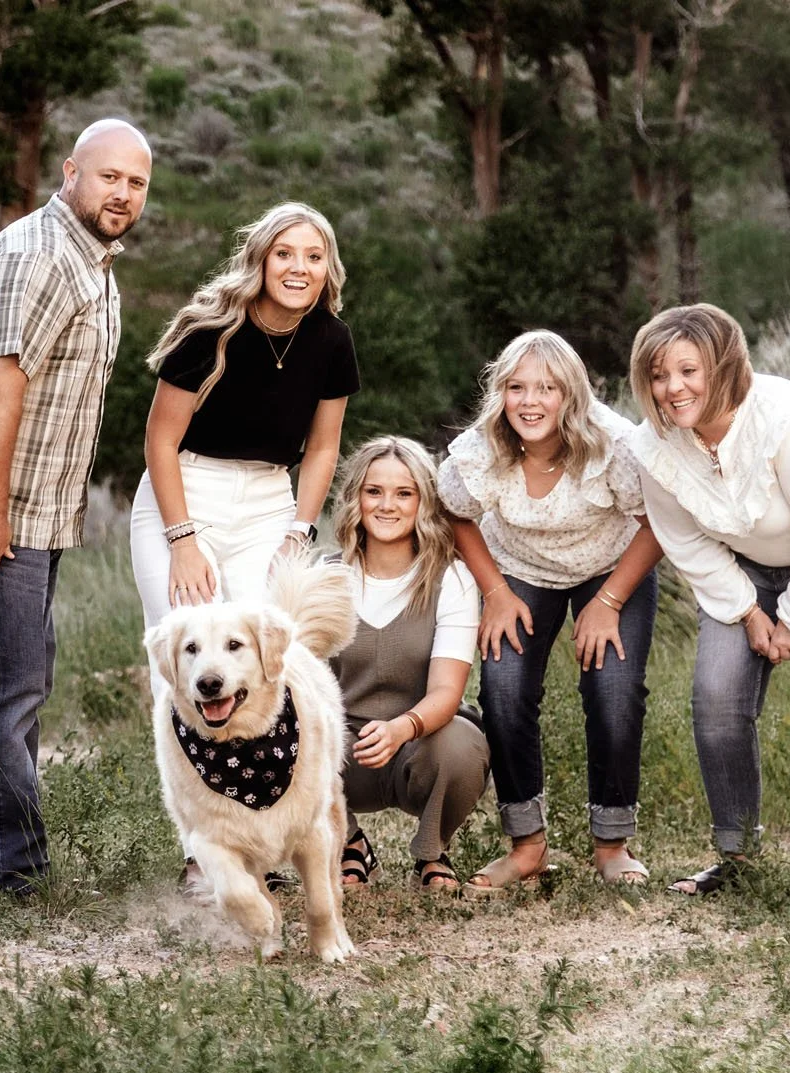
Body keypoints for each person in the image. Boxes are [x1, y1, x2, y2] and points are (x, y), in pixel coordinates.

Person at [0, 119, 152, 895]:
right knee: (6, 685)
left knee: (15, 681)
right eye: (109, 176)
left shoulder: (90, 259)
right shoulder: (39, 258)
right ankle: (8, 879)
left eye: (137, 183)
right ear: (71, 172)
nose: (122, 194)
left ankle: (1, 865)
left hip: (32, 513)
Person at [624, 303, 790, 896]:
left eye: (688, 371)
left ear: (721, 366)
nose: (673, 389)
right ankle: (737, 862)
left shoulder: (782, 412)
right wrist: (749, 614)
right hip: (743, 568)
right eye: (660, 375)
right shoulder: (654, 445)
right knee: (717, 697)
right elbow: (685, 540)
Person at [129, 202, 359, 893]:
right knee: (185, 650)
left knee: (264, 656)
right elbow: (159, 440)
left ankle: (277, 825)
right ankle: (205, 845)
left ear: (327, 270)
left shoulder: (331, 341)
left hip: (268, 499)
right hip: (183, 491)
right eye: (285, 253)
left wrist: (298, 526)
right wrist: (182, 540)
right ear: (261, 259)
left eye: (313, 257)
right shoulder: (211, 331)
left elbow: (322, 448)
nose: (298, 268)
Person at [437, 331, 664, 896]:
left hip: (611, 567)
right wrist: (494, 591)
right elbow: (456, 514)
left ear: (573, 395)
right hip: (519, 569)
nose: (530, 401)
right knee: (506, 688)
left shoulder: (615, 447)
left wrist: (608, 602)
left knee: (612, 688)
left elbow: (657, 523)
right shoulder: (482, 448)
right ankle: (527, 845)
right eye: (517, 387)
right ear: (501, 394)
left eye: (548, 388)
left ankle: (612, 843)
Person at [328, 437, 490, 892]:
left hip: (417, 743)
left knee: (462, 745)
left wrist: (401, 728)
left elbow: (446, 692)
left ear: (423, 502)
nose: (387, 506)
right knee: (283, 734)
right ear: (355, 498)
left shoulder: (451, 578)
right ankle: (349, 844)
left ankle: (432, 854)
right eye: (373, 491)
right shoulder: (326, 578)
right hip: (342, 750)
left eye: (404, 493)